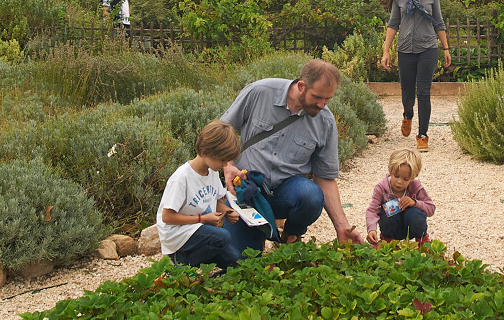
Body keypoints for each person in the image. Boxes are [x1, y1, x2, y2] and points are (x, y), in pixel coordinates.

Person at [221, 59, 365, 255]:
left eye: (328, 99)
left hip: (285, 195)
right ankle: (258, 234)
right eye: (317, 97)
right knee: (241, 260)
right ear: (301, 86)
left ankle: (290, 236)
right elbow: (222, 130)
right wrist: (227, 166)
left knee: (311, 195)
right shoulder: (259, 92)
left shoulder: (325, 121)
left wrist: (342, 226)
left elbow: (325, 178)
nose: (322, 105)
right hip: (247, 192)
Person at [380, 0, 451, 152]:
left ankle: (422, 135)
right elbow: (393, 23)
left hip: (428, 47)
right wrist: (386, 51)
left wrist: (445, 48)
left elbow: (438, 21)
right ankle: (408, 114)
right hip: (405, 49)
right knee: (407, 93)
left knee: (424, 92)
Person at [156, 120, 242, 271]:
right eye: (222, 160)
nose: (224, 165)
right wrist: (203, 219)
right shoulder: (182, 178)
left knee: (234, 259)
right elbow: (167, 217)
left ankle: (195, 262)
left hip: (197, 228)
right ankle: (180, 262)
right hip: (176, 233)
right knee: (223, 237)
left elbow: (216, 200)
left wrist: (228, 212)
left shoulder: (212, 173)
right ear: (205, 152)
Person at [366, 148, 435, 244]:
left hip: (411, 228)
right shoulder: (381, 188)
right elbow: (372, 210)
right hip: (391, 228)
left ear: (412, 178)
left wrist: (414, 203)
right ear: (390, 170)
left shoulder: (415, 187)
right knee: (387, 212)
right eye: (396, 176)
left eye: (405, 179)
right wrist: (371, 229)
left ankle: (422, 242)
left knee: (415, 213)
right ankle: (386, 242)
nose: (399, 182)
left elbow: (431, 209)